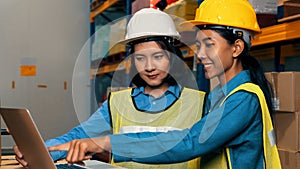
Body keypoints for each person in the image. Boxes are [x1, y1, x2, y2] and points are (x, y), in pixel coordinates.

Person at [48, 0, 282, 169]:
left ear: (237, 47)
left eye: (209, 44)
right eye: (199, 45)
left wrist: (105, 143)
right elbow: (80, 134)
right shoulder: (220, 97)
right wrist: (46, 150)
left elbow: (190, 142)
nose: (200, 54)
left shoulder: (240, 99)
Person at [14, 8, 206, 169]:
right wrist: (37, 151)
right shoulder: (117, 103)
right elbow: (79, 136)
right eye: (140, 58)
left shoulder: (201, 103)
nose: (149, 67)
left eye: (158, 57)